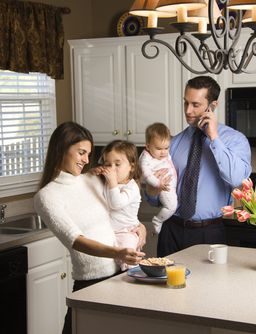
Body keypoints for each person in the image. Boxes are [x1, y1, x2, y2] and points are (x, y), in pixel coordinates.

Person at [33, 122, 145, 334]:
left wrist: (140, 227)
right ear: (62, 149)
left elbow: (119, 211)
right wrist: (117, 252)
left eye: (89, 154)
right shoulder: (46, 197)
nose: (86, 160)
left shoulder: (91, 179)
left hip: (119, 277)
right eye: (81, 153)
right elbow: (76, 240)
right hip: (89, 284)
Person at [146, 76, 252, 257]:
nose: (188, 110)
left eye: (195, 105)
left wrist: (214, 138)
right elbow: (155, 199)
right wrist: (152, 191)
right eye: (185, 103)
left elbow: (236, 179)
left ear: (212, 106)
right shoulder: (173, 143)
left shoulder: (235, 140)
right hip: (171, 230)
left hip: (210, 233)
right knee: (165, 284)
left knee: (209, 285)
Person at [97, 140, 142, 270]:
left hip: (126, 232)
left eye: (117, 164)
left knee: (129, 262)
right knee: (109, 267)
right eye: (107, 164)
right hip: (109, 232)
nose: (112, 169)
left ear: (132, 166)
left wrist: (112, 183)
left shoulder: (132, 187)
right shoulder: (107, 183)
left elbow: (116, 203)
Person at [139, 123, 177, 234]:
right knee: (171, 207)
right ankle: (158, 221)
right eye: (159, 149)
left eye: (166, 148)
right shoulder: (146, 158)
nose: (164, 152)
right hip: (163, 186)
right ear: (147, 146)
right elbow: (146, 175)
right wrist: (158, 184)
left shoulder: (163, 153)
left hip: (169, 185)